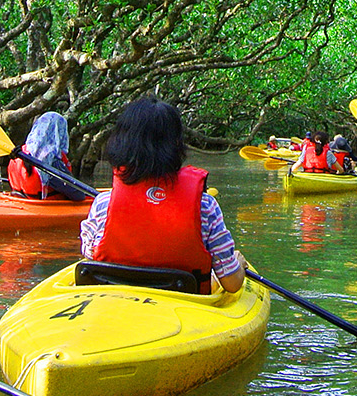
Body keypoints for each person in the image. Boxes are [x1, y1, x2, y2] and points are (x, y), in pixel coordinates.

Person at [80, 97, 246, 293]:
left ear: (122, 142)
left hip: (114, 303)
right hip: (183, 306)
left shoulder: (102, 203)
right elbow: (232, 284)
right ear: (176, 144)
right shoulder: (205, 206)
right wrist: (238, 263)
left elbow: (90, 259)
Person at [5, 112, 92, 201]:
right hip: (45, 207)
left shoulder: (19, 153)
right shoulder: (51, 161)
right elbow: (78, 196)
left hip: (22, 201)